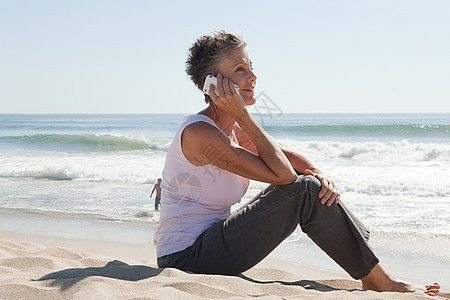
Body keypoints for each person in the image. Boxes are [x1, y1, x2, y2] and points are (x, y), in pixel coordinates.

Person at [154, 31, 440, 296]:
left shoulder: (230, 128)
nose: (253, 76)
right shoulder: (200, 133)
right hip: (187, 258)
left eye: (251, 66)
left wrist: (319, 173)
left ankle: (374, 275)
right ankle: (379, 280)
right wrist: (243, 116)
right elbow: (283, 176)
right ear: (213, 84)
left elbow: (287, 158)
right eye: (240, 70)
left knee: (310, 184)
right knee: (303, 190)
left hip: (213, 242)